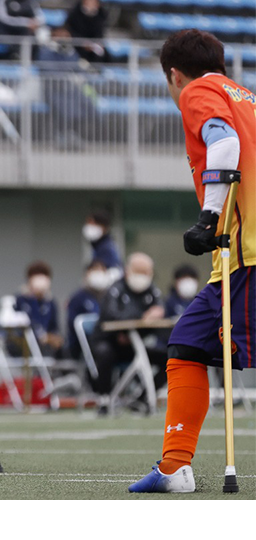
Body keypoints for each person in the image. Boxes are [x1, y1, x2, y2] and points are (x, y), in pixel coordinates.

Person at [130, 29, 256, 493]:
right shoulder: (246, 96)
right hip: (236, 259)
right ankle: (175, 467)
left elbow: (223, 146)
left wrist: (207, 219)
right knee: (187, 345)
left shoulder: (199, 90)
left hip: (249, 252)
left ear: (174, 75)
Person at [90, 252, 168, 414]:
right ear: (127, 270)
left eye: (145, 272)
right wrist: (142, 317)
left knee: (169, 358)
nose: (141, 276)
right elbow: (110, 315)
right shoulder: (115, 289)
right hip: (110, 342)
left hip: (134, 345)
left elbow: (159, 316)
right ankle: (104, 399)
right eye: (138, 271)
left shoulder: (152, 292)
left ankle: (143, 398)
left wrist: (156, 315)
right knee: (105, 354)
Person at [14, 261, 64, 358]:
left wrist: (53, 338)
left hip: (47, 344)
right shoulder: (20, 300)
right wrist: (42, 337)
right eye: (37, 276)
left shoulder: (50, 302)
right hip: (24, 344)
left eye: (44, 276)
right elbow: (20, 326)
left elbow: (54, 327)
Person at [66, 259, 110, 360]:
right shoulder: (78, 298)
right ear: (87, 274)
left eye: (102, 270)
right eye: (95, 270)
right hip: (83, 346)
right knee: (104, 352)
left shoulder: (109, 296)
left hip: (106, 341)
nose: (99, 275)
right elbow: (72, 325)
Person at [83, 209, 122, 285]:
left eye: (92, 223)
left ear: (104, 227)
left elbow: (115, 273)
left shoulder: (107, 248)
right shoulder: (98, 245)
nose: (89, 226)